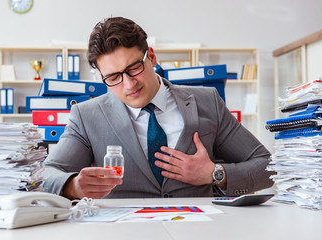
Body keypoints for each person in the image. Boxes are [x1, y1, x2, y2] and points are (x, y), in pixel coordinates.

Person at [42, 17, 274, 199]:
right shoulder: (86, 116)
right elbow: (45, 175)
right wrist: (73, 186)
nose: (129, 84)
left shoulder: (207, 101)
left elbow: (267, 167)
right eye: (113, 77)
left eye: (134, 68)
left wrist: (215, 174)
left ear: (151, 57)